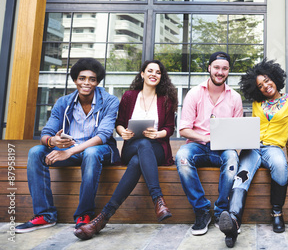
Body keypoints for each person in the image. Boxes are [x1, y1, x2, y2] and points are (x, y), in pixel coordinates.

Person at [74, 60, 178, 240]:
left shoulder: (166, 99)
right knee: (141, 147)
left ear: (161, 77)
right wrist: (123, 132)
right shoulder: (130, 96)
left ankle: (102, 218)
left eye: (158, 72)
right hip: (131, 146)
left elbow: (170, 128)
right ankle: (158, 200)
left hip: (157, 149)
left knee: (141, 155)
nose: (154, 74)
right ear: (142, 74)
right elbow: (119, 122)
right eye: (150, 71)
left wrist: (158, 133)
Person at [15, 58, 120, 233]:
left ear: (97, 82)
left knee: (91, 153)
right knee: (36, 152)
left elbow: (103, 136)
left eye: (92, 79)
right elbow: (46, 133)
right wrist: (51, 141)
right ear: (75, 80)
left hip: (100, 150)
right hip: (69, 150)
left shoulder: (110, 101)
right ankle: (45, 215)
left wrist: (68, 152)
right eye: (82, 78)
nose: (86, 83)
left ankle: (84, 215)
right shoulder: (63, 102)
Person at [219, 59, 288, 248]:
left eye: (267, 80)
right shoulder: (257, 103)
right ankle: (234, 220)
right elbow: (252, 127)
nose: (265, 86)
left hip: (274, 148)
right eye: (260, 86)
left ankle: (277, 213)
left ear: (275, 78)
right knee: (241, 176)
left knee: (280, 166)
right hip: (253, 147)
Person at [176, 51, 242, 236]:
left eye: (224, 68)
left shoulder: (235, 97)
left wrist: (232, 140)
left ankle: (222, 211)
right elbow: (183, 130)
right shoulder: (194, 93)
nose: (220, 72)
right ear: (209, 68)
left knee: (231, 158)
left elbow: (237, 131)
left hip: (222, 148)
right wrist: (205, 138)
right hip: (197, 145)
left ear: (228, 71)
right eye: (217, 68)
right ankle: (202, 211)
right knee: (182, 156)